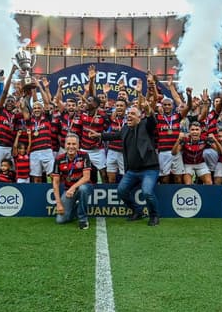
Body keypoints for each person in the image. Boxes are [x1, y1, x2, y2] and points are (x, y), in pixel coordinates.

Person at [101, 82, 160, 226]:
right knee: (121, 191)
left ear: (139, 117)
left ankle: (154, 215)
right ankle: (137, 211)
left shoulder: (146, 125)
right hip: (132, 171)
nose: (129, 116)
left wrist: (146, 105)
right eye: (128, 114)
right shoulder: (125, 129)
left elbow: (152, 119)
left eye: (132, 114)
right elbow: (113, 136)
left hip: (149, 170)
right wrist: (98, 135)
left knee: (147, 192)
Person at [51, 133, 92, 229]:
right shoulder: (59, 159)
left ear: (78, 145)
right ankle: (76, 208)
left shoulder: (84, 155)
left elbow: (86, 177)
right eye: (68, 144)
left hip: (85, 187)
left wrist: (73, 188)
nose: (71, 147)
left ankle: (83, 219)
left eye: (74, 144)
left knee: (83, 189)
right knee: (60, 220)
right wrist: (58, 203)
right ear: (65, 145)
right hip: (68, 190)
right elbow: (55, 183)